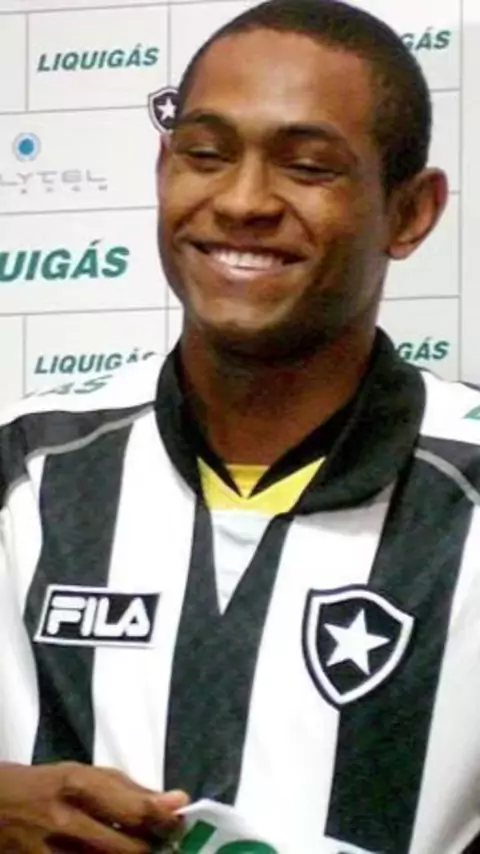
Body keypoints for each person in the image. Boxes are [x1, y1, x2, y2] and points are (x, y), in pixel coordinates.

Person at [0, 0, 479, 851]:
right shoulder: (26, 467)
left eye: (308, 167)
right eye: (206, 155)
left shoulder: (466, 488)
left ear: (411, 213)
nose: (243, 201)